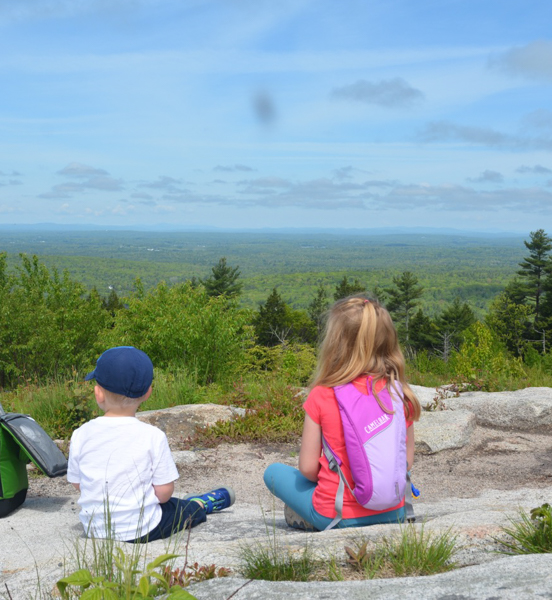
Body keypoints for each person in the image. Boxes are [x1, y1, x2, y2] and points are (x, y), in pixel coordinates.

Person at [263, 295, 421, 531]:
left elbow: (307, 469)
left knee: (273, 472)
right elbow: (405, 462)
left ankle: (306, 514)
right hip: (394, 511)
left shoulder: (323, 394)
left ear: (336, 344)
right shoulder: (399, 394)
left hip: (334, 514)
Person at [67, 346, 235, 542]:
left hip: (94, 529)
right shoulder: (152, 436)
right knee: (179, 508)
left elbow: (78, 483)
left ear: (98, 394)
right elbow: (163, 493)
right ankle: (199, 505)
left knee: (167, 505)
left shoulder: (80, 434)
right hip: (142, 530)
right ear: (148, 393)